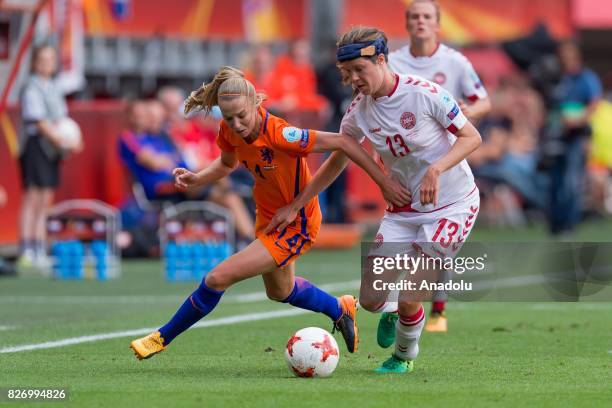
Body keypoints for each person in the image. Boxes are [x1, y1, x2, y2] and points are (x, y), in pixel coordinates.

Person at [129, 66, 411, 361]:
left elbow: (344, 142)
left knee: (216, 278)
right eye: (228, 118)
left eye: (242, 115)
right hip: (269, 218)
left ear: (255, 104)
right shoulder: (229, 130)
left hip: (296, 222)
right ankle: (339, 309)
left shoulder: (280, 134)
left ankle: (161, 337)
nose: (236, 124)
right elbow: (227, 164)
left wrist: (383, 182)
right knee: (280, 291)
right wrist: (198, 178)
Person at [266, 27, 482, 374]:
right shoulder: (358, 112)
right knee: (369, 300)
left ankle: (403, 356)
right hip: (402, 211)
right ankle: (394, 310)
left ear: (381, 60)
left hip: (452, 206)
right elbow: (338, 158)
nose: (352, 79)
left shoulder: (425, 94)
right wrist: (297, 203)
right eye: (346, 73)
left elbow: (472, 137)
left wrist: (436, 170)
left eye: (358, 71)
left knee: (413, 294)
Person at [386, 0, 491, 332]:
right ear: (407, 24)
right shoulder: (393, 62)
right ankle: (394, 303)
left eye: (426, 17)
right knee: (407, 229)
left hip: (445, 154)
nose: (420, 22)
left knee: (440, 228)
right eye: (414, 16)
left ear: (437, 24)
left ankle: (438, 309)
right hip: (404, 160)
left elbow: (483, 100)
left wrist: (465, 113)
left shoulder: (455, 62)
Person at [18, 44, 82, 268]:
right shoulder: (31, 88)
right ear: (34, 62)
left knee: (46, 199)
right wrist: (63, 141)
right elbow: (38, 121)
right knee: (33, 197)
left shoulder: (54, 88)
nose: (47, 63)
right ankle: (27, 247)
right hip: (37, 146)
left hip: (52, 149)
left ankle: (39, 246)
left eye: (50, 59)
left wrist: (73, 141)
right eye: (42, 59)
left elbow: (62, 121)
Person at [547, 39, 602, 235]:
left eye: (568, 54)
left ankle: (569, 224)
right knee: (555, 181)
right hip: (556, 136)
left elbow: (594, 103)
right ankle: (555, 224)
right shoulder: (557, 78)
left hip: (577, 137)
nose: (565, 58)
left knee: (572, 182)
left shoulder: (586, 78)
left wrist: (578, 120)